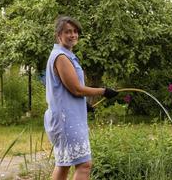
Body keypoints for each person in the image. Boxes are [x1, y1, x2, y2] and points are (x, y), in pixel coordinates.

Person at [44, 16, 118, 180]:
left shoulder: (64, 55)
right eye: (68, 32)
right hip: (66, 120)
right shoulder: (61, 57)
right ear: (59, 35)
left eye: (75, 31)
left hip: (66, 117)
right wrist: (104, 91)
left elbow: (65, 90)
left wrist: (82, 105)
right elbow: (76, 89)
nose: (73, 35)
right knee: (84, 165)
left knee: (63, 164)